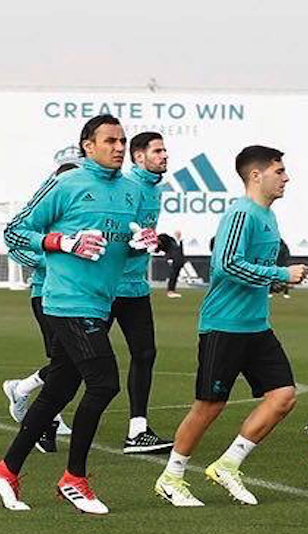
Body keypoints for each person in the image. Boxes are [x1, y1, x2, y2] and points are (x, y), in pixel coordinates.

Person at [0, 114, 158, 514]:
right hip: (66, 302)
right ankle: (74, 478)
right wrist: (61, 241)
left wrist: (138, 244)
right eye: (110, 140)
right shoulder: (68, 184)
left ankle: (5, 470)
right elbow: (16, 231)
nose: (118, 147)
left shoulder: (132, 192)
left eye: (122, 140)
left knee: (59, 390)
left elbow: (120, 246)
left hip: (102, 300)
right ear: (87, 146)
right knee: (104, 382)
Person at [154, 145, 308, 507]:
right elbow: (224, 265)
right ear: (256, 175)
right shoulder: (242, 213)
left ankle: (229, 464)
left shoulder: (268, 216)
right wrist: (279, 274)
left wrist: (274, 278)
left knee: (283, 396)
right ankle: (171, 477)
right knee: (209, 406)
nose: (286, 178)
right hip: (224, 325)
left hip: (256, 326)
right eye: (279, 171)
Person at [2, 162, 80, 452]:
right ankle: (45, 418)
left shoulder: (77, 212)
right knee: (66, 361)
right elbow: (16, 246)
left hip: (75, 296)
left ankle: (24, 389)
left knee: (69, 361)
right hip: (46, 294)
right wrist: (50, 261)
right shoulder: (44, 209)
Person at [111, 132, 173, 454]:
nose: (165, 156)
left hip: (135, 286)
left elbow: (139, 235)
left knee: (145, 354)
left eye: (165, 150)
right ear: (138, 156)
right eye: (158, 151)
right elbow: (115, 234)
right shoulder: (126, 188)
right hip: (106, 287)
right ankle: (36, 407)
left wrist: (158, 241)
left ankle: (138, 430)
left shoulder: (154, 189)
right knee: (77, 363)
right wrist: (134, 243)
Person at [165, 230, 185, 298]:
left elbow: (181, 252)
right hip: (173, 261)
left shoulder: (181, 242)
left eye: (179, 234)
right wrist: (169, 259)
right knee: (172, 276)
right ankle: (170, 290)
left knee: (176, 276)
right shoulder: (171, 242)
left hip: (179, 261)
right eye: (177, 234)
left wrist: (182, 261)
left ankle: (173, 290)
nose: (179, 235)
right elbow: (168, 250)